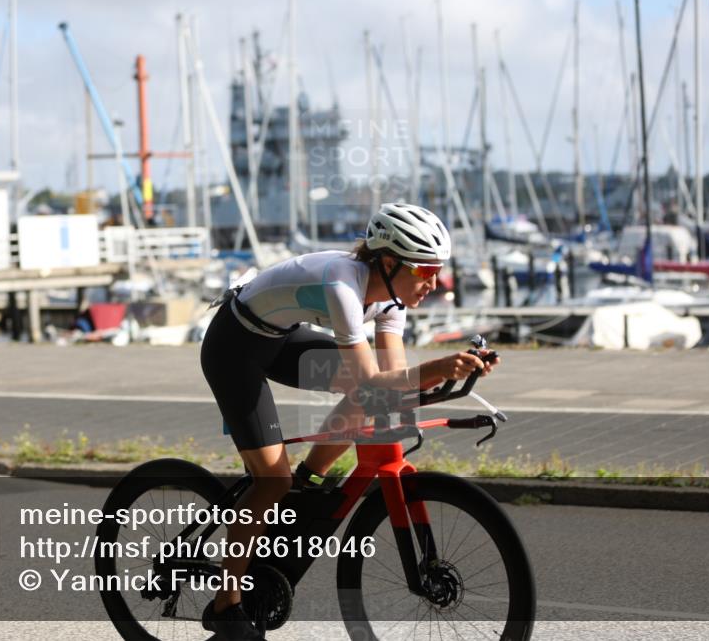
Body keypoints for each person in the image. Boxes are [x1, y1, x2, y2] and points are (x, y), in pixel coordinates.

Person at [199, 203, 498, 640]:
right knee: (271, 482)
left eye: (438, 270)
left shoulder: (395, 298)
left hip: (279, 337)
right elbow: (373, 379)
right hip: (234, 347)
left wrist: (454, 375)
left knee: (367, 400)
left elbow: (389, 386)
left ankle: (310, 481)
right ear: (390, 262)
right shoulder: (343, 284)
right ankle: (227, 605)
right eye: (425, 271)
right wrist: (438, 368)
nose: (434, 283)